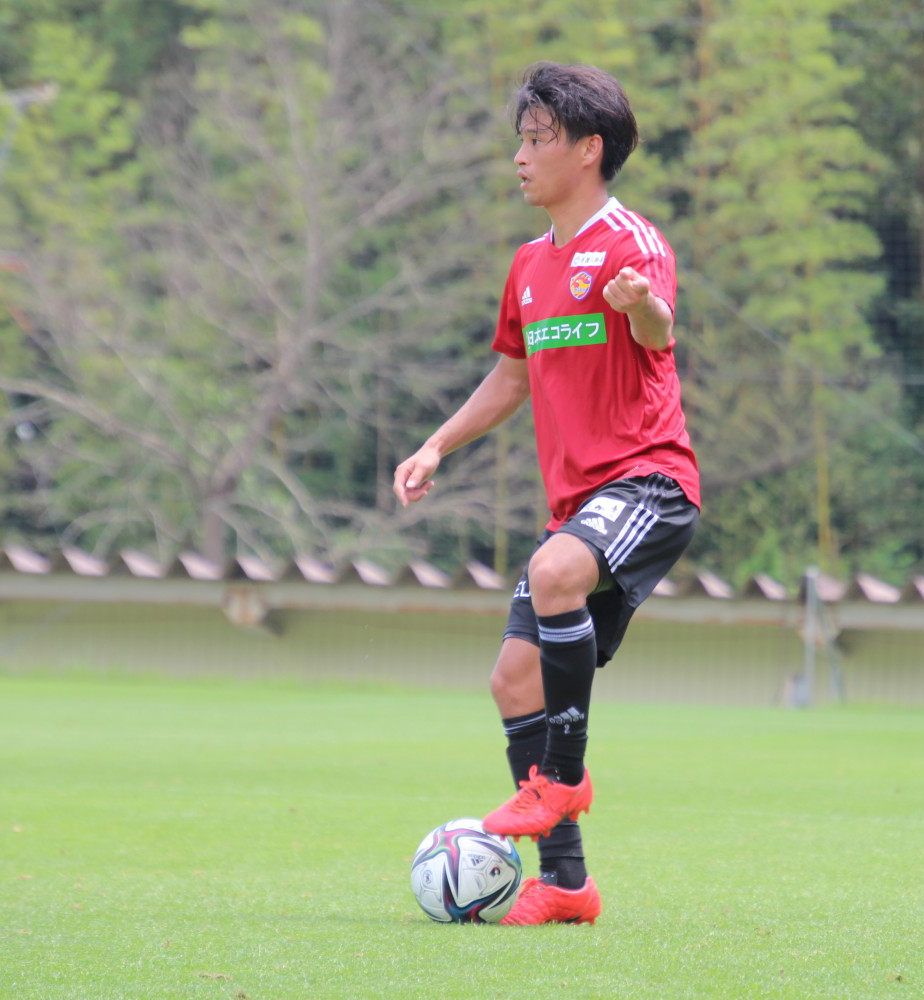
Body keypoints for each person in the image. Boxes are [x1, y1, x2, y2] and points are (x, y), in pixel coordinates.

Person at [392, 62, 700, 927]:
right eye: (520, 141)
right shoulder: (530, 264)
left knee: (555, 571)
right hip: (579, 505)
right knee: (512, 679)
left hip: (650, 481)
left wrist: (639, 307)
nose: (520, 158)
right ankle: (565, 882)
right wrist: (436, 444)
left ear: (588, 149)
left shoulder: (632, 243)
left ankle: (563, 778)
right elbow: (511, 375)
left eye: (537, 140)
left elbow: (659, 330)